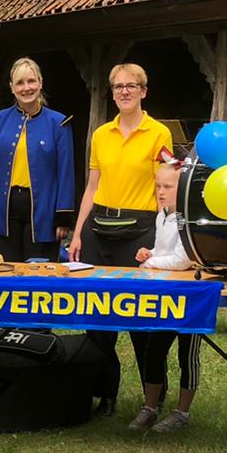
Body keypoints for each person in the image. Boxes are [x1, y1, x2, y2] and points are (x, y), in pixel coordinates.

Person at [69, 63, 173, 414]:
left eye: (131, 86)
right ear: (111, 93)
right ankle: (104, 394)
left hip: (139, 231)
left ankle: (152, 398)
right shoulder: (100, 134)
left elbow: (167, 183)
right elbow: (92, 186)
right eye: (117, 87)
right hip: (99, 228)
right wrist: (78, 231)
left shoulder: (158, 134)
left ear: (144, 91)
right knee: (97, 320)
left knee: (140, 318)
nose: (124, 92)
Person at [0, 57, 75, 262]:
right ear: (12, 88)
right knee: (5, 273)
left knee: (38, 277)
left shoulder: (59, 123)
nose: (26, 88)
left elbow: (66, 173)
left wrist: (63, 215)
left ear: (40, 83)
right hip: (4, 210)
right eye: (20, 83)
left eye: (31, 81)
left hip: (44, 212)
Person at [129, 161, 202, 432]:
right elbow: (165, 251)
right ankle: (150, 407)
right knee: (154, 349)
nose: (161, 191)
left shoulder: (188, 218)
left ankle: (182, 412)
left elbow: (182, 260)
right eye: (158, 186)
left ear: (182, 189)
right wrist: (149, 252)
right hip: (166, 293)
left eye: (168, 187)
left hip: (192, 295)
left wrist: (150, 263)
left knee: (188, 354)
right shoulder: (162, 215)